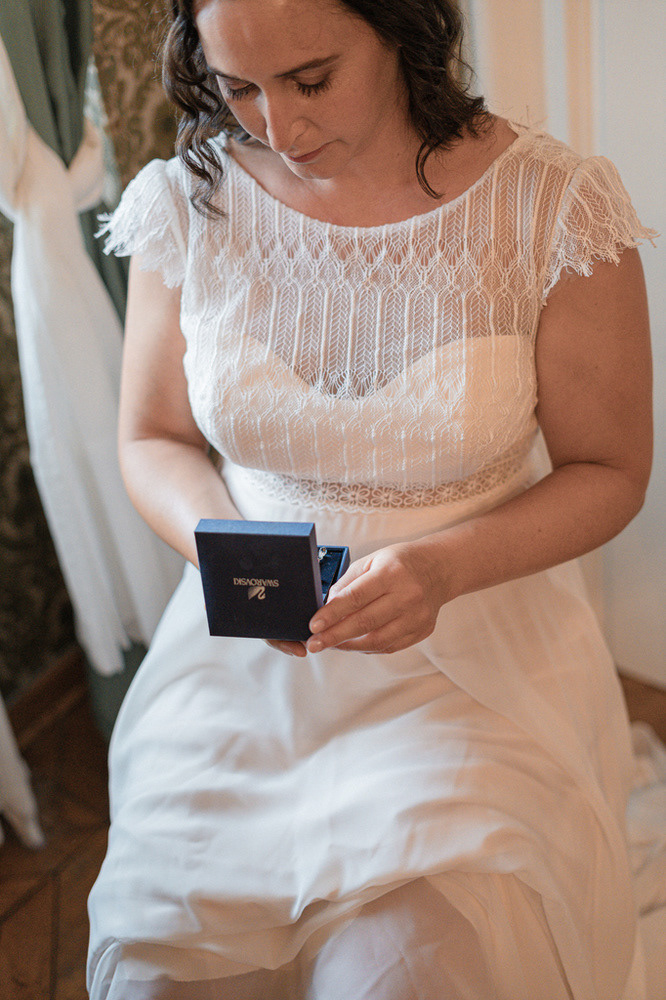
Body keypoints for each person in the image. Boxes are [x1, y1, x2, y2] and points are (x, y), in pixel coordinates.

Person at [86, 0, 659, 997]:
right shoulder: (189, 201)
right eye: (238, 87)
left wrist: (442, 568)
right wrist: (237, 562)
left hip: (474, 661)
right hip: (243, 665)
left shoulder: (554, 208)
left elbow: (610, 470)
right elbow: (152, 439)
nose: (278, 125)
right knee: (162, 974)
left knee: (402, 975)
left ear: (401, 28)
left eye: (311, 79)